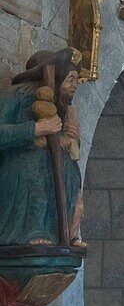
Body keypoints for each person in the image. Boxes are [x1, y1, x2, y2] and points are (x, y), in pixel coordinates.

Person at [0, 48, 83, 246]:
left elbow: (65, 146)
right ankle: (31, 232)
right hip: (21, 167)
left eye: (76, 79)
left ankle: (68, 235)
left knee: (73, 183)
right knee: (36, 170)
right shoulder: (16, 95)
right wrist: (36, 129)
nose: (75, 85)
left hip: (55, 174)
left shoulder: (60, 105)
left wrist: (72, 138)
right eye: (70, 79)